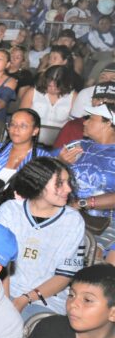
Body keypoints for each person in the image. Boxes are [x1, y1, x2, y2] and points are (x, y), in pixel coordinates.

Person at [0, 157, 85, 319]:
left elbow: (64, 276)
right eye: (60, 183)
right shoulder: (10, 210)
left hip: (46, 299)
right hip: (3, 290)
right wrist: (4, 300)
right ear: (38, 183)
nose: (68, 189)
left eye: (68, 182)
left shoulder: (72, 220)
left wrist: (24, 299)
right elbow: (2, 263)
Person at [59, 102, 115, 251]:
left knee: (90, 253)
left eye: (91, 118)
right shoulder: (78, 145)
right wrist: (61, 163)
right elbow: (46, 170)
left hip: (106, 222)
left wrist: (81, 203)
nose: (85, 122)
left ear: (108, 123)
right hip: (65, 213)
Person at [0, 109, 50, 186]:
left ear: (35, 131)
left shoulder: (44, 158)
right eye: (13, 124)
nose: (16, 129)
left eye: (23, 126)